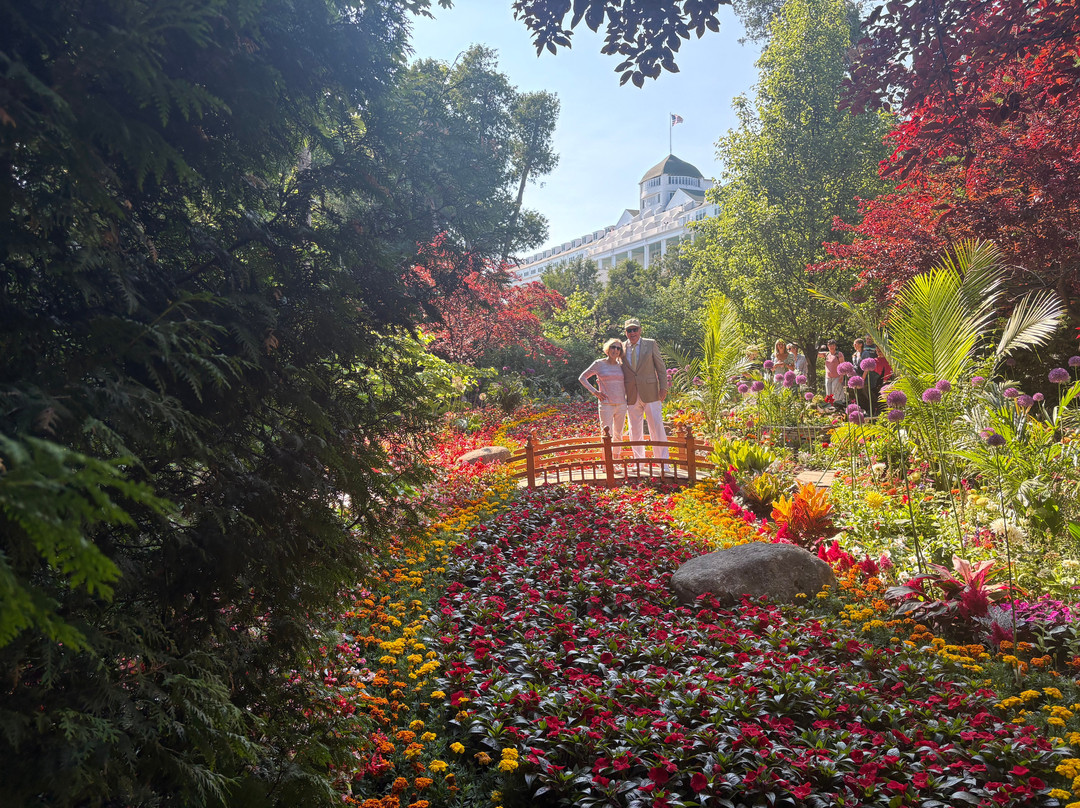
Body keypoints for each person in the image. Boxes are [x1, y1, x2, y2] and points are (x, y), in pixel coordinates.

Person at [622, 318, 669, 463]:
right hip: (631, 394)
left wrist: (663, 387)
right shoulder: (620, 347)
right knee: (635, 430)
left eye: (635, 329)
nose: (633, 333)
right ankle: (639, 463)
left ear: (640, 330)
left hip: (651, 392)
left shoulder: (650, 344)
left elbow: (660, 367)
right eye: (629, 330)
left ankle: (663, 462)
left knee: (656, 427)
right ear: (626, 332)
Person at [578, 338, 628, 446]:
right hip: (606, 404)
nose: (615, 350)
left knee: (618, 434)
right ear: (607, 349)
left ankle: (616, 459)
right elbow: (582, 378)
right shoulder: (599, 364)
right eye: (613, 347)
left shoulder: (623, 365)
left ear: (620, 351)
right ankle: (607, 461)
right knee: (606, 434)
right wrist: (595, 392)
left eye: (618, 348)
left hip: (622, 404)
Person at [819, 339, 845, 406]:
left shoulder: (839, 354)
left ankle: (837, 406)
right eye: (830, 345)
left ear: (835, 346)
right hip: (828, 377)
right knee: (828, 394)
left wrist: (842, 376)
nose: (832, 347)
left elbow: (843, 365)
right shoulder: (827, 354)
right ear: (828, 346)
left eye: (833, 345)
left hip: (837, 376)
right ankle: (830, 407)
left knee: (835, 393)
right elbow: (817, 354)